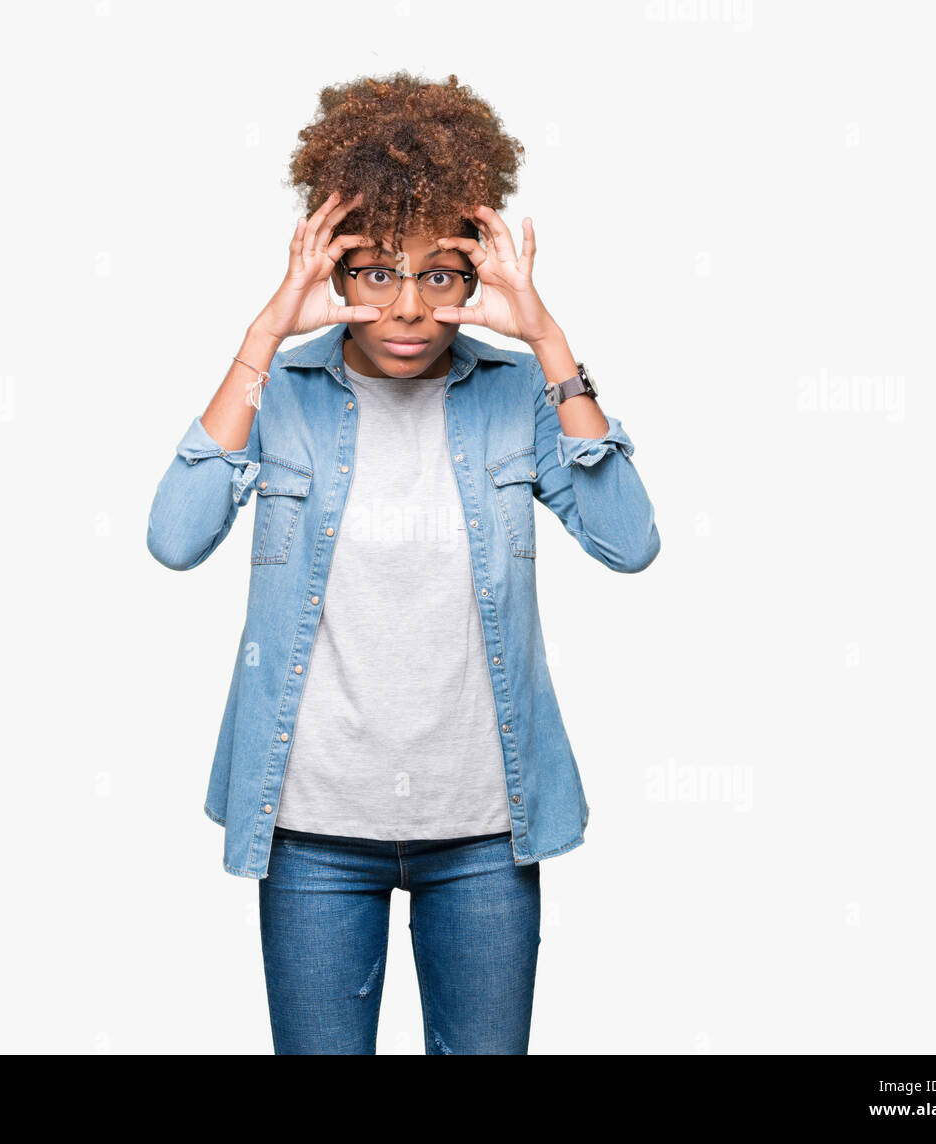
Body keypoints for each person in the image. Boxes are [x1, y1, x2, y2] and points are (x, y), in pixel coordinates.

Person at [147, 71, 660, 1054]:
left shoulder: (514, 394)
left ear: (475, 276)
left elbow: (628, 539)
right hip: (311, 827)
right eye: (378, 271)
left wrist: (551, 343)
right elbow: (176, 536)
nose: (411, 306)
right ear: (335, 273)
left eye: (440, 273)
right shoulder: (285, 391)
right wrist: (261, 335)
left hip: (481, 829)